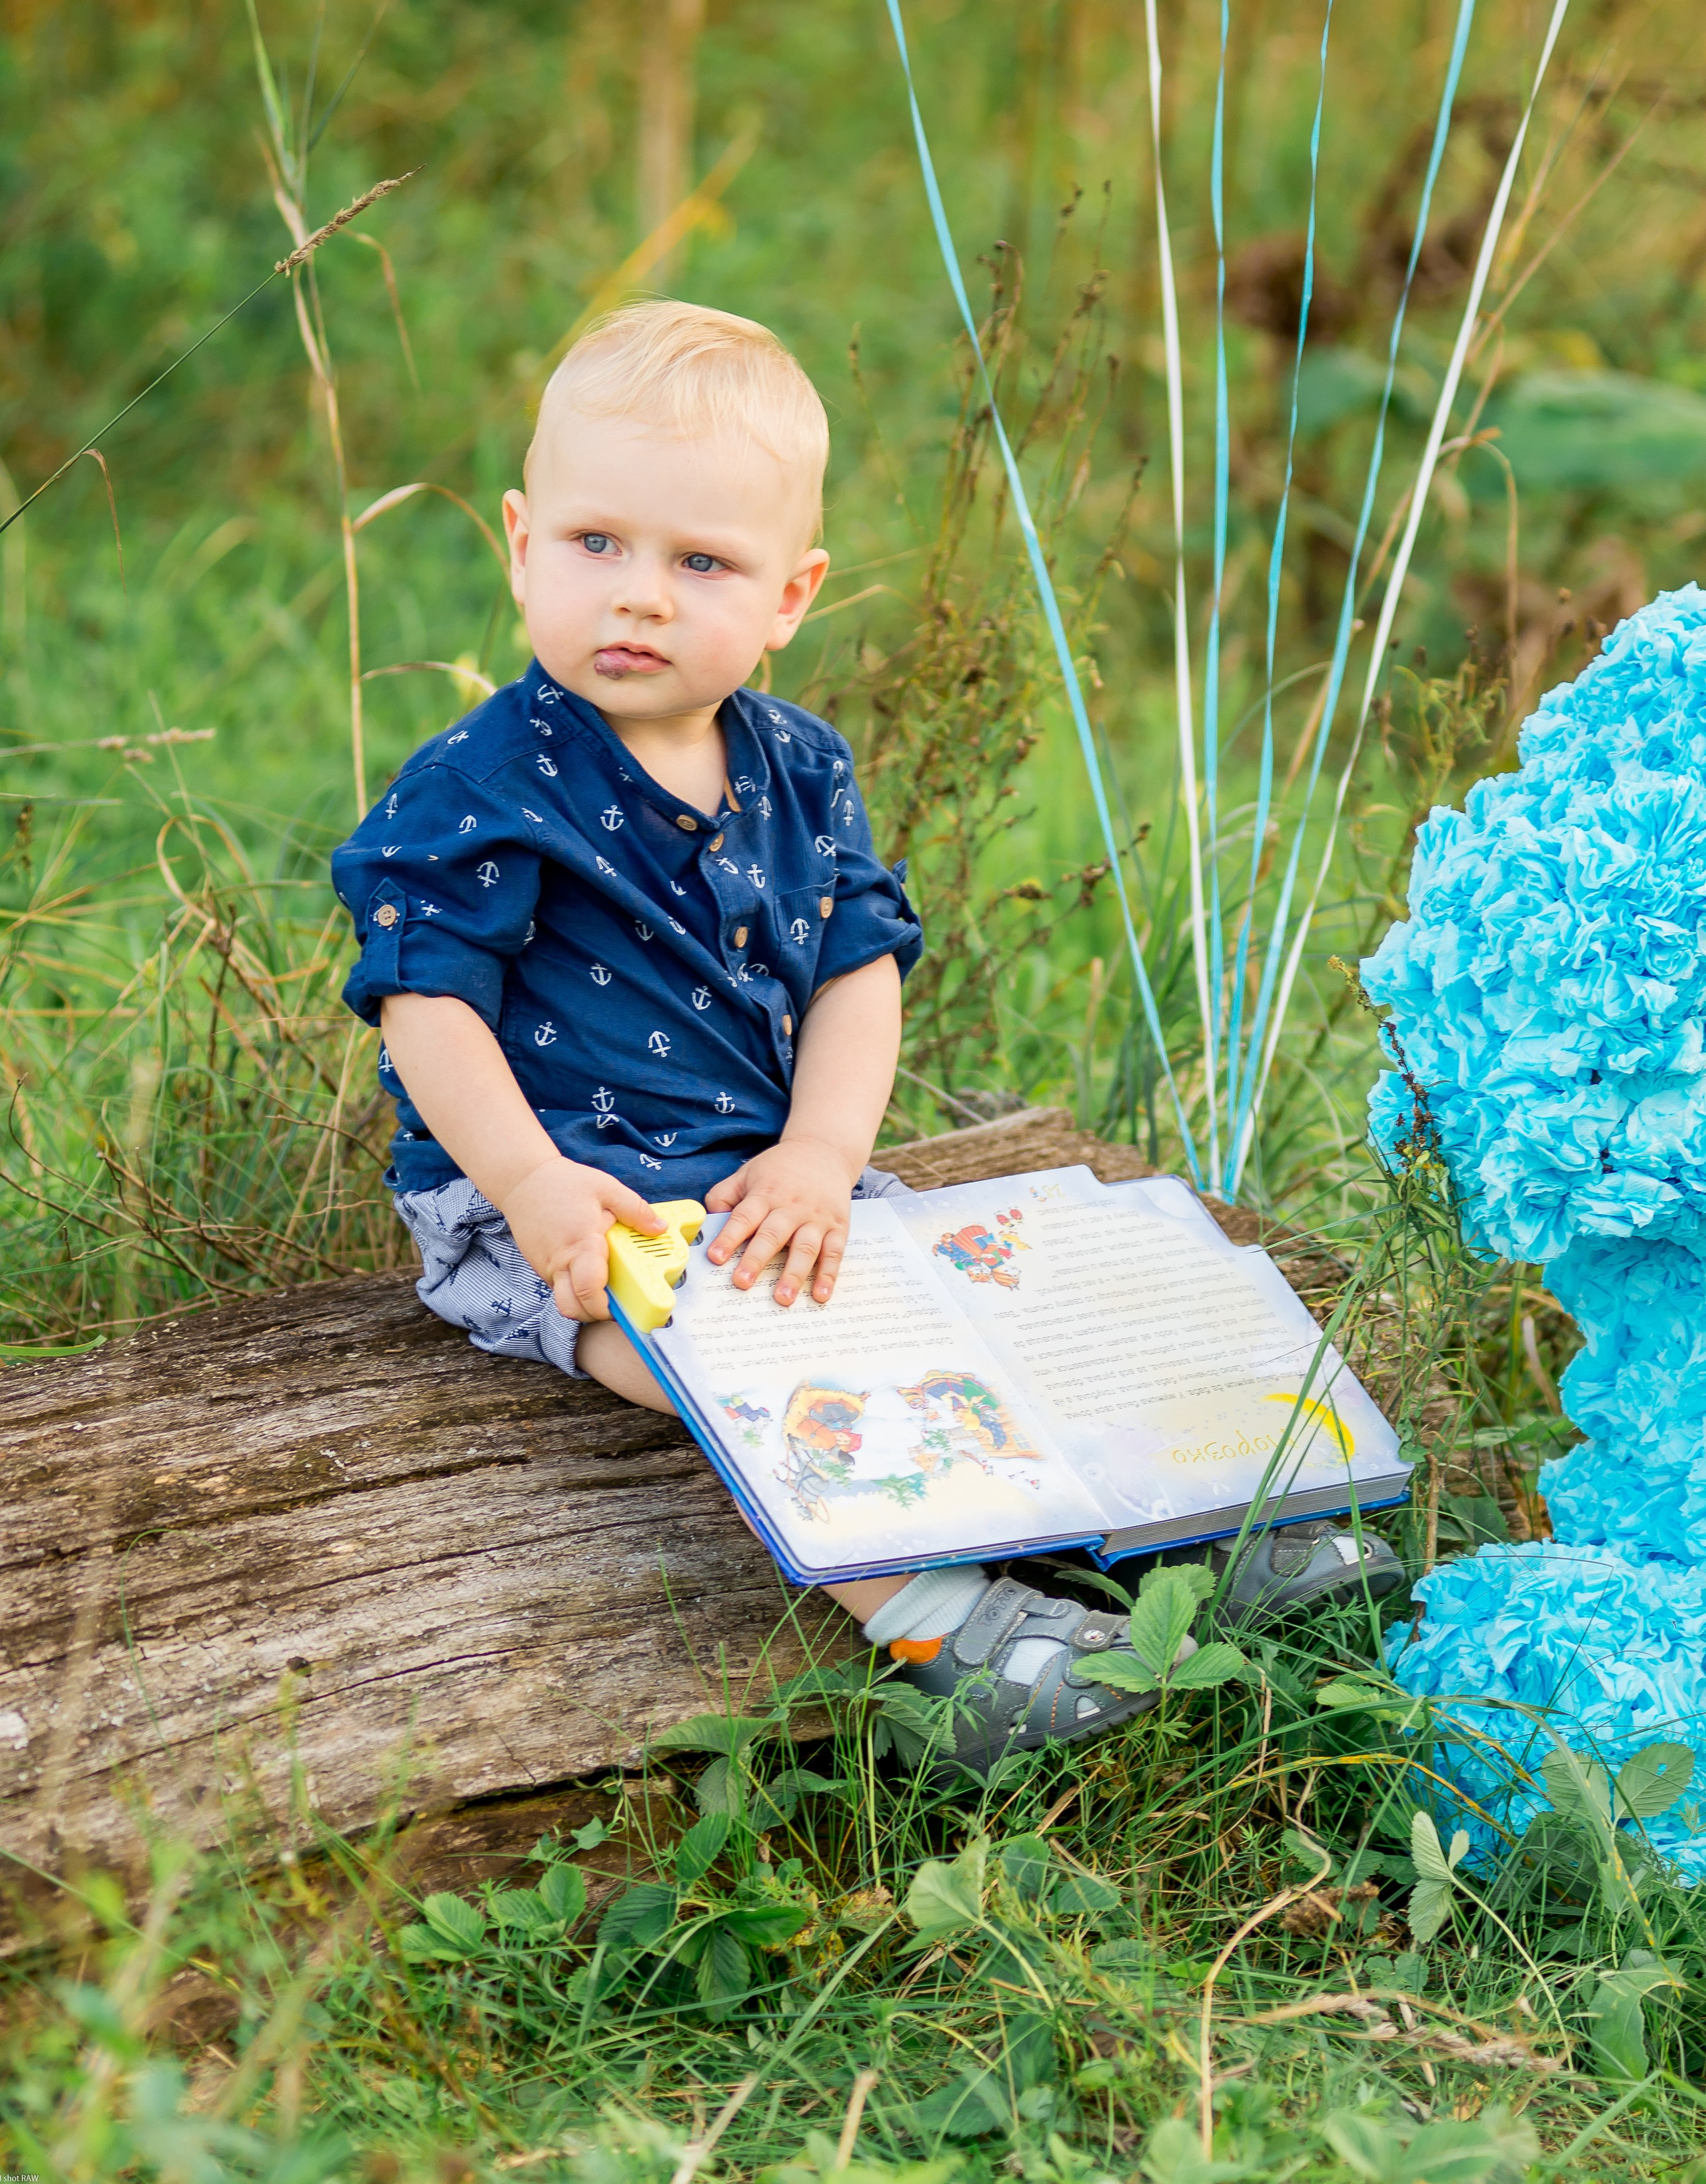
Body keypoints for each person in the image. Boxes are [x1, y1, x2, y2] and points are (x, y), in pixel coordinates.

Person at [333, 298, 1397, 1778]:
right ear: (519, 539)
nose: (634, 596)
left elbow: (854, 970)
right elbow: (425, 998)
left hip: (771, 1172)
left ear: (789, 593)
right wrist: (525, 1183)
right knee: (734, 1349)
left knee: (972, 1302)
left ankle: (1186, 1537)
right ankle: (934, 1620)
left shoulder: (797, 763)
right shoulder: (485, 781)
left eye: (698, 562)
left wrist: (825, 1151)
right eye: (594, 544)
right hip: (571, 1198)